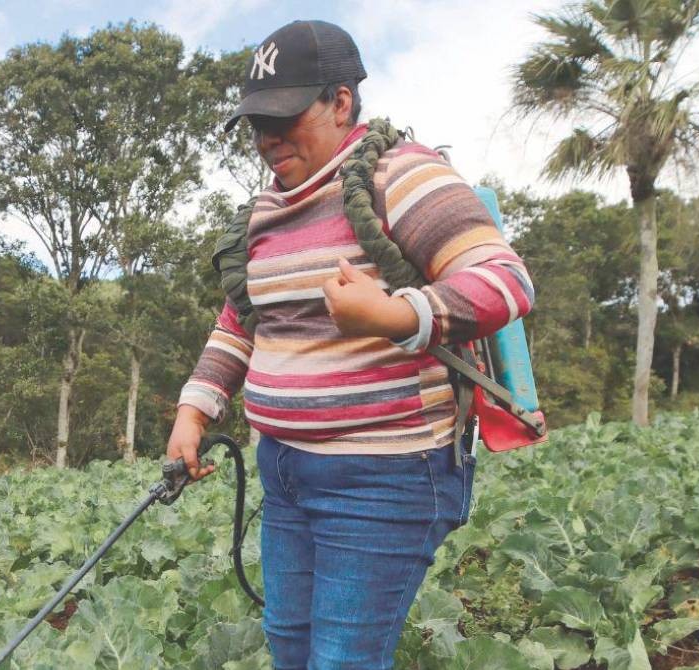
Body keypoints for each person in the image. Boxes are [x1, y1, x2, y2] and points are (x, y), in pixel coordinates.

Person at [167, 19, 535, 670]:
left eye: (283, 115)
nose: (267, 137)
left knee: (341, 661)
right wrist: (194, 411)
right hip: (282, 471)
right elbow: (241, 322)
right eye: (256, 122)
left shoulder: (401, 175)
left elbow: (505, 283)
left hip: (382, 477)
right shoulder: (265, 211)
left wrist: (395, 315)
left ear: (342, 102)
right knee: (290, 649)